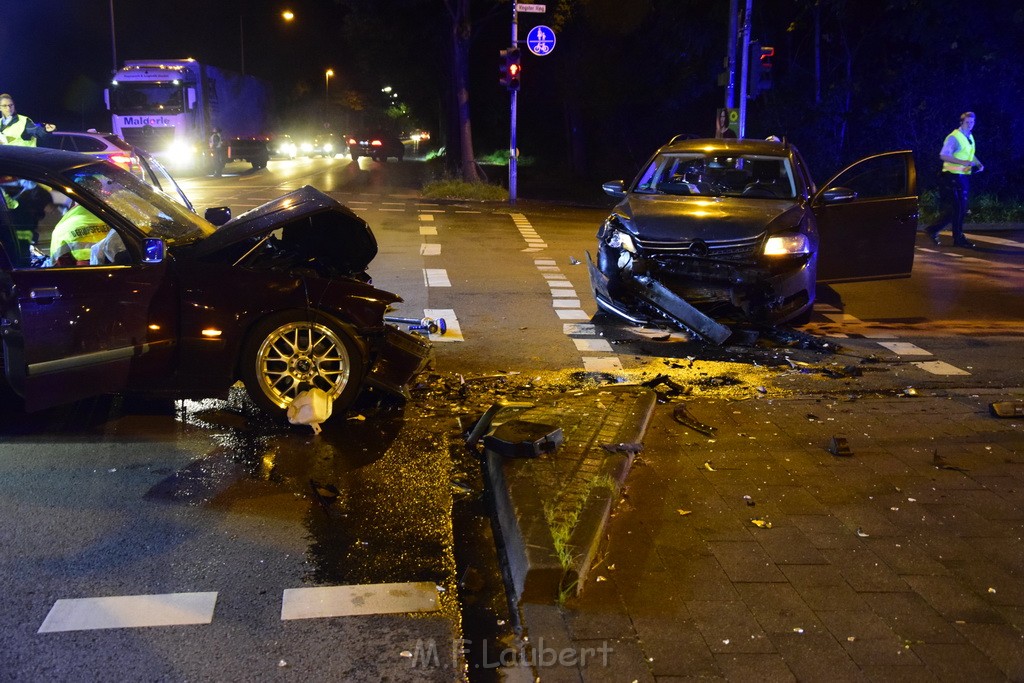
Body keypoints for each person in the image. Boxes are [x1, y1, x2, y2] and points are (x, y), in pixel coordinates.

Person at [924, 111, 984, 248]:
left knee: (959, 209)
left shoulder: (969, 136)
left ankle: (933, 229)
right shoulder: (954, 137)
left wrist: (978, 163)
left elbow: (970, 154)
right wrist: (962, 162)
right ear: (961, 122)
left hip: (963, 176)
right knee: (960, 208)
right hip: (952, 175)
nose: (970, 125)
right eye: (967, 122)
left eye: (972, 122)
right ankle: (958, 238)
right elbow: (943, 155)